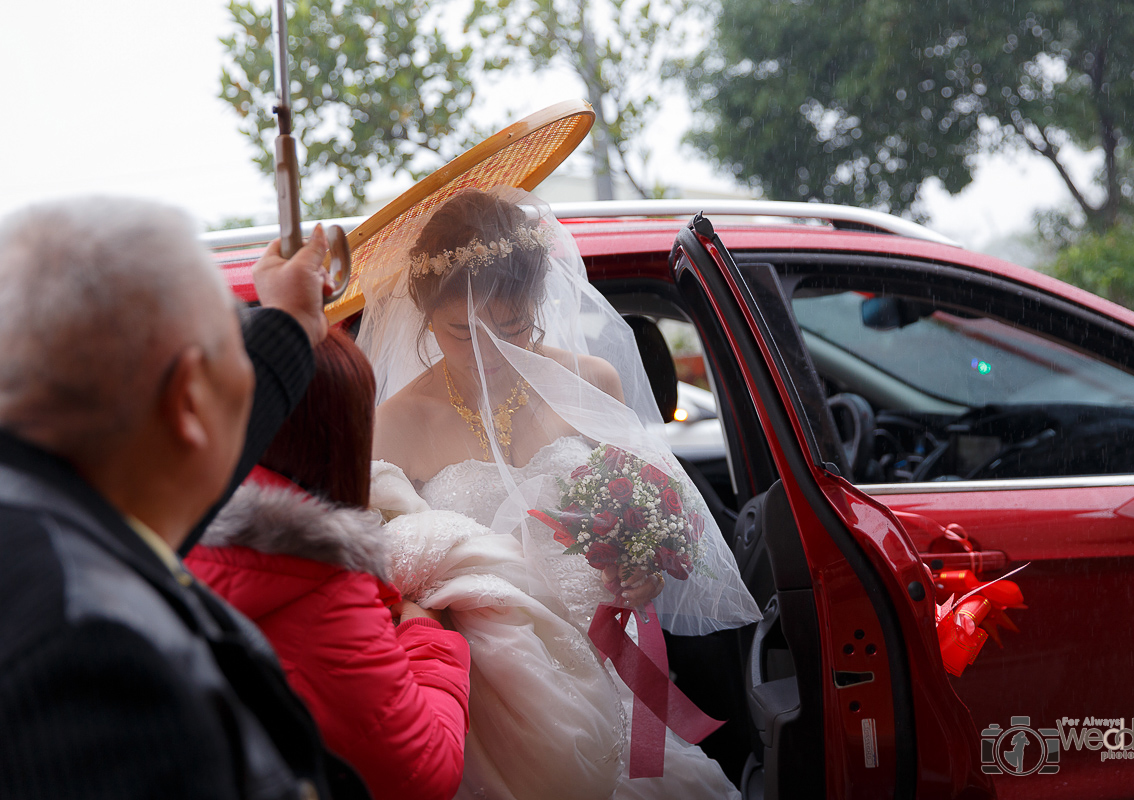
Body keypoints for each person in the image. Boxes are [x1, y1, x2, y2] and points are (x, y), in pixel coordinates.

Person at [357, 187, 761, 799]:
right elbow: (382, 582)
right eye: (463, 332)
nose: (490, 352)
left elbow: (636, 515)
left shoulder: (590, 382)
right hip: (493, 693)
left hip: (610, 662)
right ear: (423, 312)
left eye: (512, 325)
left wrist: (643, 570)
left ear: (538, 303)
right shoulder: (393, 423)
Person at [0, 197, 370, 799]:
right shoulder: (95, 662)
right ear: (189, 399)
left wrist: (294, 323)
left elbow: (178, 460)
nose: (248, 372)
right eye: (238, 340)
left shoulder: (54, 516)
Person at [185, 328, 471, 800]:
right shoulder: (326, 597)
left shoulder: (164, 527)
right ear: (344, 437)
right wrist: (427, 639)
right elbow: (426, 774)